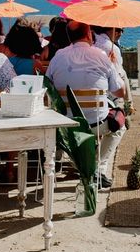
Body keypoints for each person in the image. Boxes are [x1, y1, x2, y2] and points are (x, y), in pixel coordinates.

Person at [46, 21, 125, 189]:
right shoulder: (101, 56)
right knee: (120, 125)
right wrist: (113, 67)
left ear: (69, 37)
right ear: (89, 34)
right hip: (97, 124)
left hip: (67, 124)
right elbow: (120, 92)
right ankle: (99, 169)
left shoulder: (58, 56)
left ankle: (78, 162)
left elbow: (48, 86)